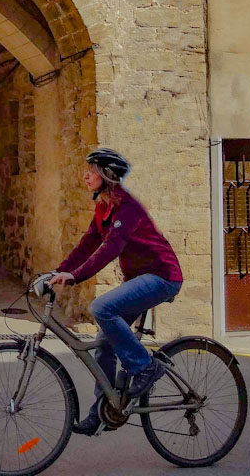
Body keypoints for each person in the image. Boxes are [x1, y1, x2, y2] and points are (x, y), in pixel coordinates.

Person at [47, 148, 184, 435]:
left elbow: (110, 248)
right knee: (104, 343)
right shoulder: (104, 208)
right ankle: (103, 411)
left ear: (107, 175)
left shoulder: (127, 208)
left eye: (91, 171)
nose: (85, 175)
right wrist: (58, 271)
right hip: (141, 279)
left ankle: (145, 367)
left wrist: (76, 276)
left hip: (162, 277)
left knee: (101, 307)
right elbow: (88, 243)